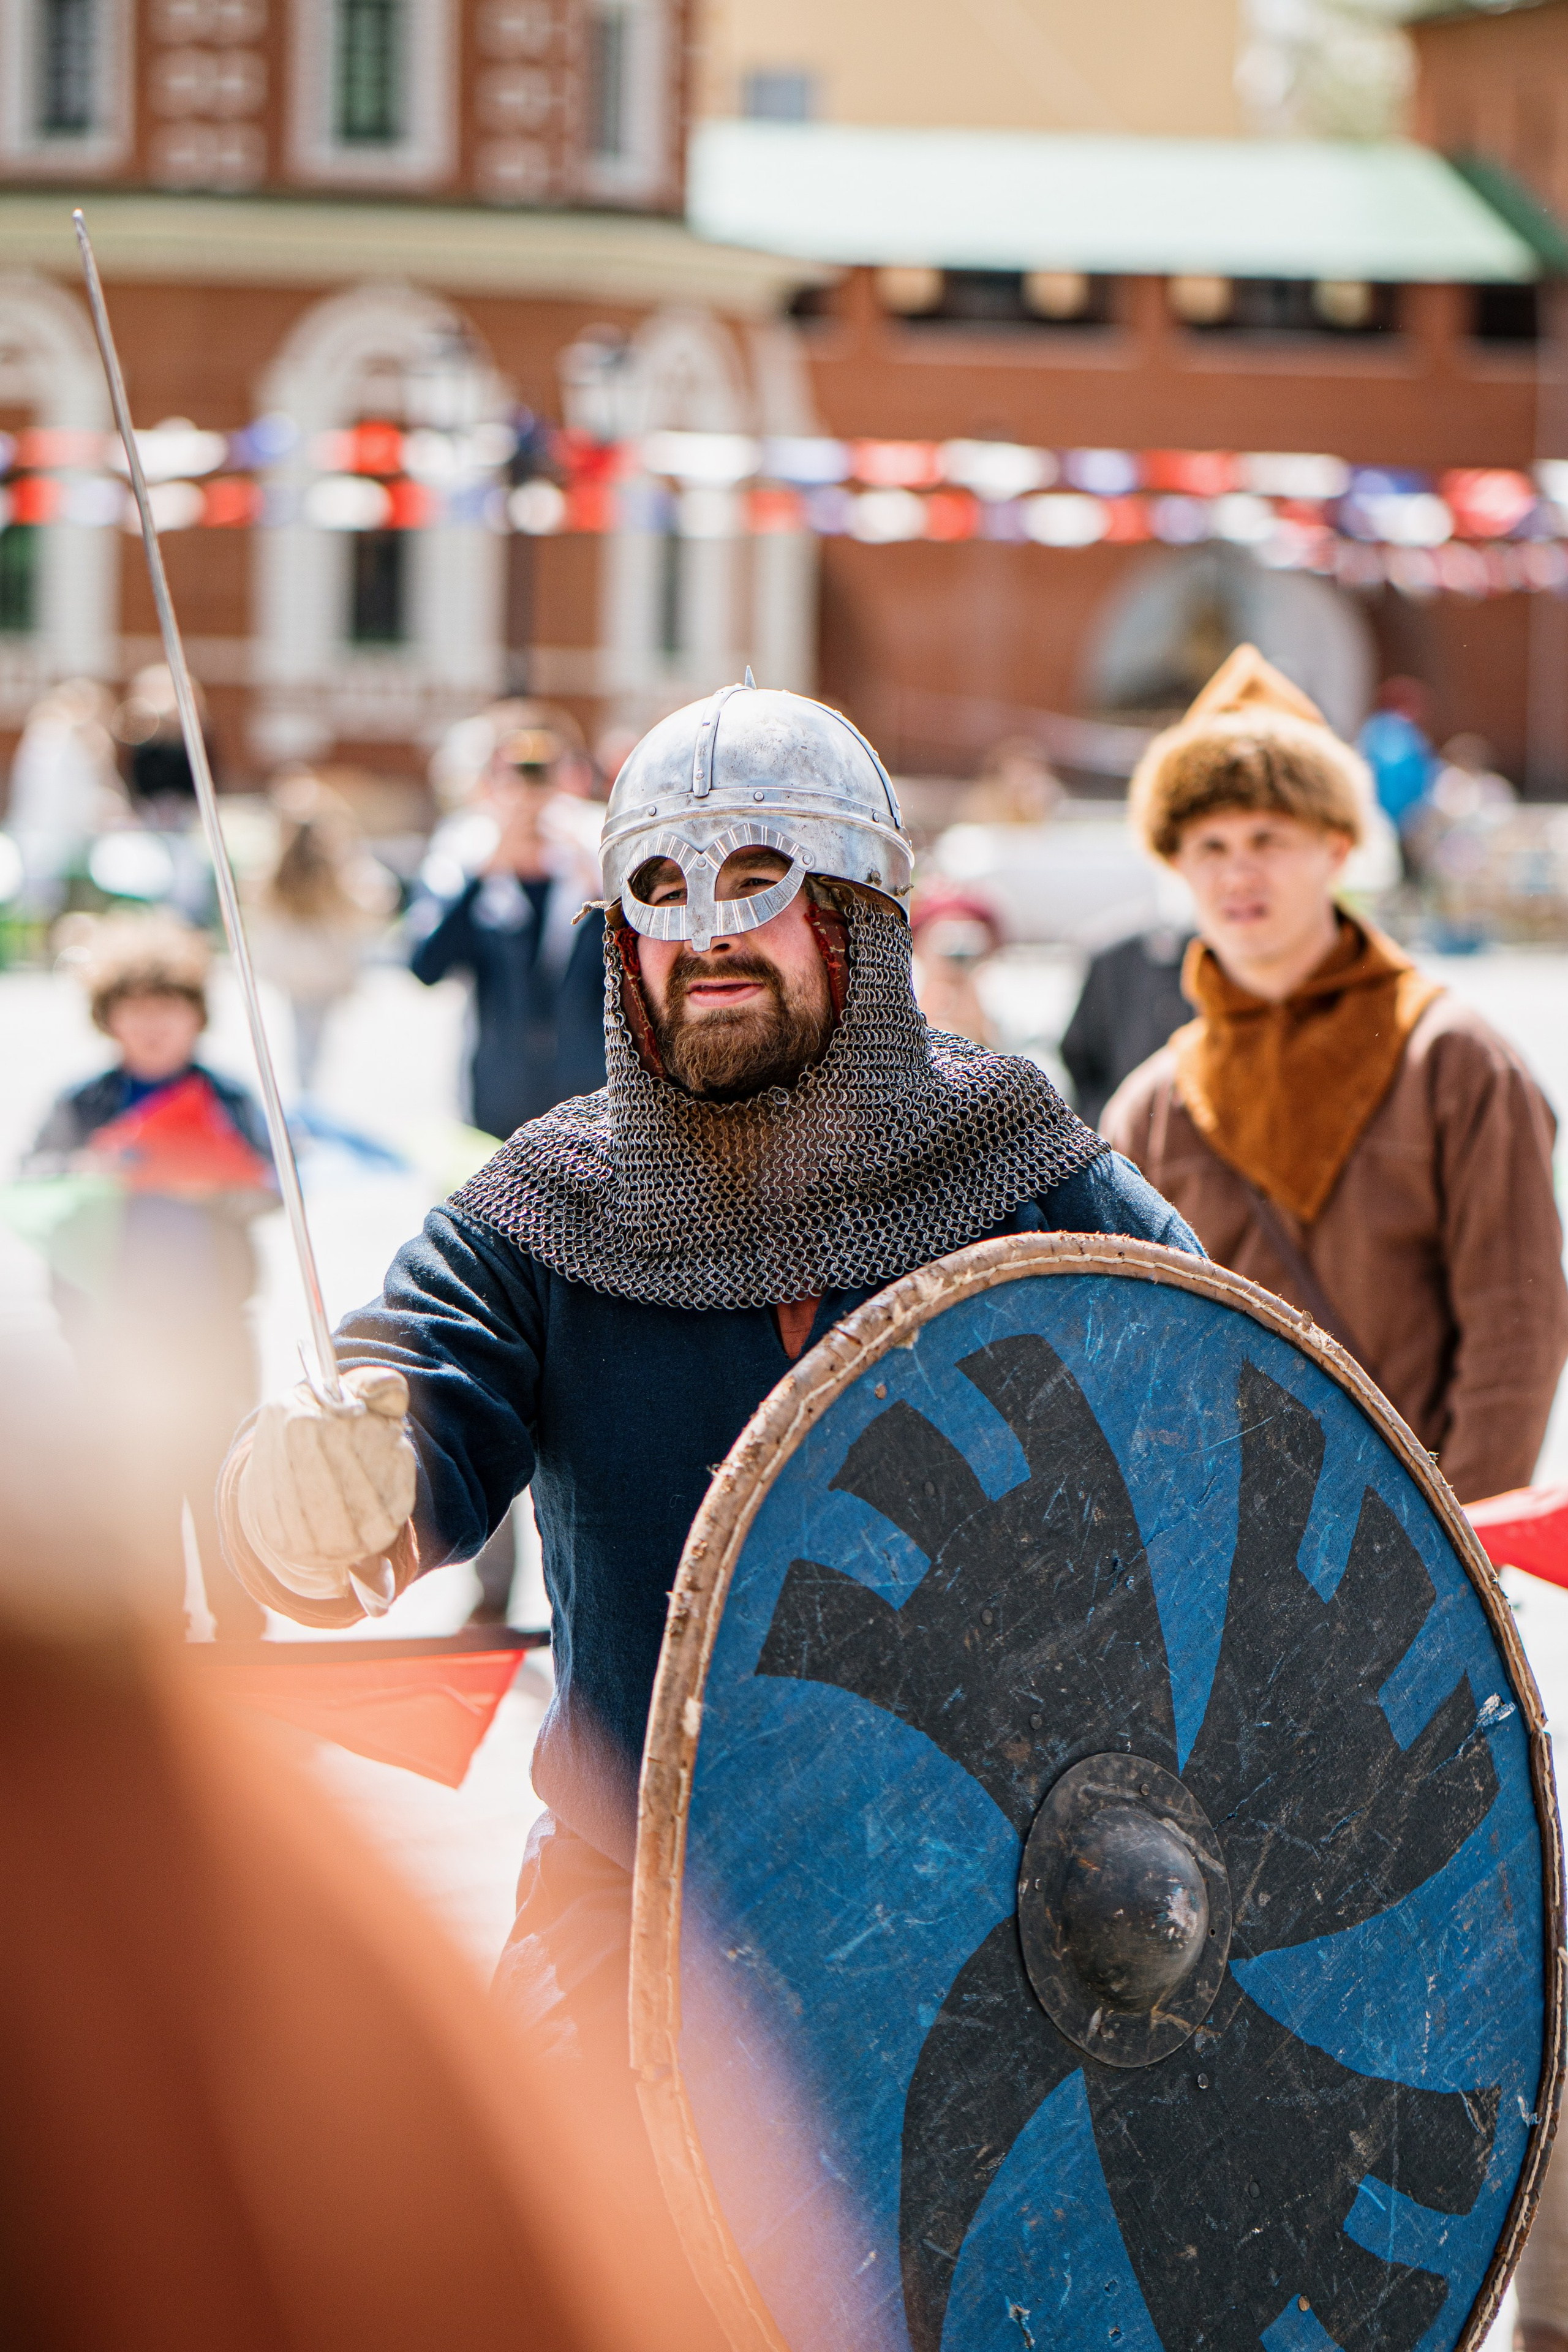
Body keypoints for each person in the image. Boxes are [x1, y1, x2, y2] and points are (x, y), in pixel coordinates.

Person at [213, 682, 1199, 2155]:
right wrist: (304, 1489)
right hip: (638, 1918)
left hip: (1003, 1924)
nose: (706, 931)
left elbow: (1231, 1438)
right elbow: (400, 1411)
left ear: (858, 914)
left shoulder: (1027, 1174)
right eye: (660, 892)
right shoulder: (542, 1217)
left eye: (756, 875)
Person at [1101, 644, 1568, 1506]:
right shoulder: (1153, 1108)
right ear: (1178, 864)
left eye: (1268, 838)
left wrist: (1453, 1552)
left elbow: (1517, 1332)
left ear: (1337, 847)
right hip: (1220, 1559)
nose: (1238, 872)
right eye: (1210, 844)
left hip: (1421, 1547)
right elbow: (1133, 1366)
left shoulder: (1454, 1062)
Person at [27, 918, 275, 1637]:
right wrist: (88, 1172)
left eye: (168, 1007)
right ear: (108, 1019)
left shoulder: (227, 1097)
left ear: (196, 1016)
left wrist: (214, 1185)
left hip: (211, 1327)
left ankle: (243, 1638)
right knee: (137, 1493)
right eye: (135, 1009)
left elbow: (273, 1187)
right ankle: (155, 1648)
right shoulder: (82, 1103)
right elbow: (34, 1186)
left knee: (223, 1482)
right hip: (116, 1331)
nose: (152, 1025)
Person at [407, 717, 606, 1140]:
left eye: (543, 775)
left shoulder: (600, 846)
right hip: (498, 1097)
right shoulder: (465, 850)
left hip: (591, 1098)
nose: (530, 796)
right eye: (516, 775)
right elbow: (426, 967)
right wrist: (485, 874)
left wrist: (599, 885)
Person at [249, 770, 396, 1090]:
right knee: (314, 1040)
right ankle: (309, 1093)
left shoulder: (289, 872)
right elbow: (377, 904)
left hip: (300, 973)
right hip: (321, 972)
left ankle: (307, 1091)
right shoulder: (332, 868)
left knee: (307, 1038)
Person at [1060, 922, 1194, 1130]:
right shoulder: (1111, 963)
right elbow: (1079, 1055)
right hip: (1119, 1126)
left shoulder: (1221, 955)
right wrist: (1099, 1121)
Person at [909, 888, 1001, 1047]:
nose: (958, 951)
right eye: (945, 936)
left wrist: (984, 1035)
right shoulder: (897, 996)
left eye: (970, 936)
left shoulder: (1003, 1001)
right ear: (919, 945)